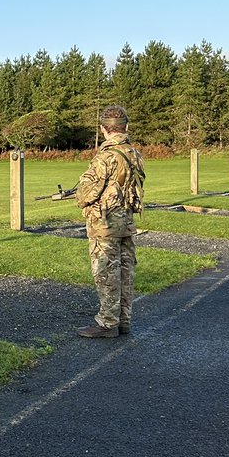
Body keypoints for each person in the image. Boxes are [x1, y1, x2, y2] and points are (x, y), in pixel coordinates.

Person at [74, 105, 145, 338]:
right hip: (126, 221)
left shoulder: (105, 156)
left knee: (106, 273)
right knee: (125, 271)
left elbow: (87, 194)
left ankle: (107, 323)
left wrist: (79, 195)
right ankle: (123, 320)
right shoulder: (134, 153)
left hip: (105, 223)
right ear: (126, 126)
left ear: (104, 129)